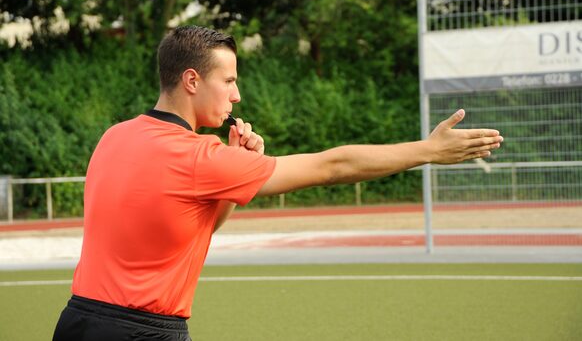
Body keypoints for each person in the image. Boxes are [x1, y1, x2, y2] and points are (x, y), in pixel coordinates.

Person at [52, 25, 503, 340]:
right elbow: (334, 166)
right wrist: (428, 151)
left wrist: (232, 172)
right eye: (228, 80)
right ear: (192, 80)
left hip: (76, 321)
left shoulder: (114, 137)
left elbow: (190, 228)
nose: (236, 94)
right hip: (141, 332)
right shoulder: (198, 157)